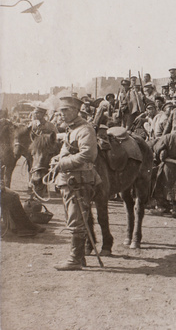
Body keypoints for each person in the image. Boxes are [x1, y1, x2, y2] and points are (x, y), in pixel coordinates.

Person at [52, 96, 100, 270]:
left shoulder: (85, 130)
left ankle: (75, 259)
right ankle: (79, 258)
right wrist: (57, 158)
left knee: (76, 218)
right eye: (61, 111)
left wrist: (62, 163)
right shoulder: (72, 129)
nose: (62, 114)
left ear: (75, 111)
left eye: (65, 111)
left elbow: (88, 155)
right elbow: (70, 151)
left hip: (79, 181)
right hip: (71, 180)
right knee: (74, 217)